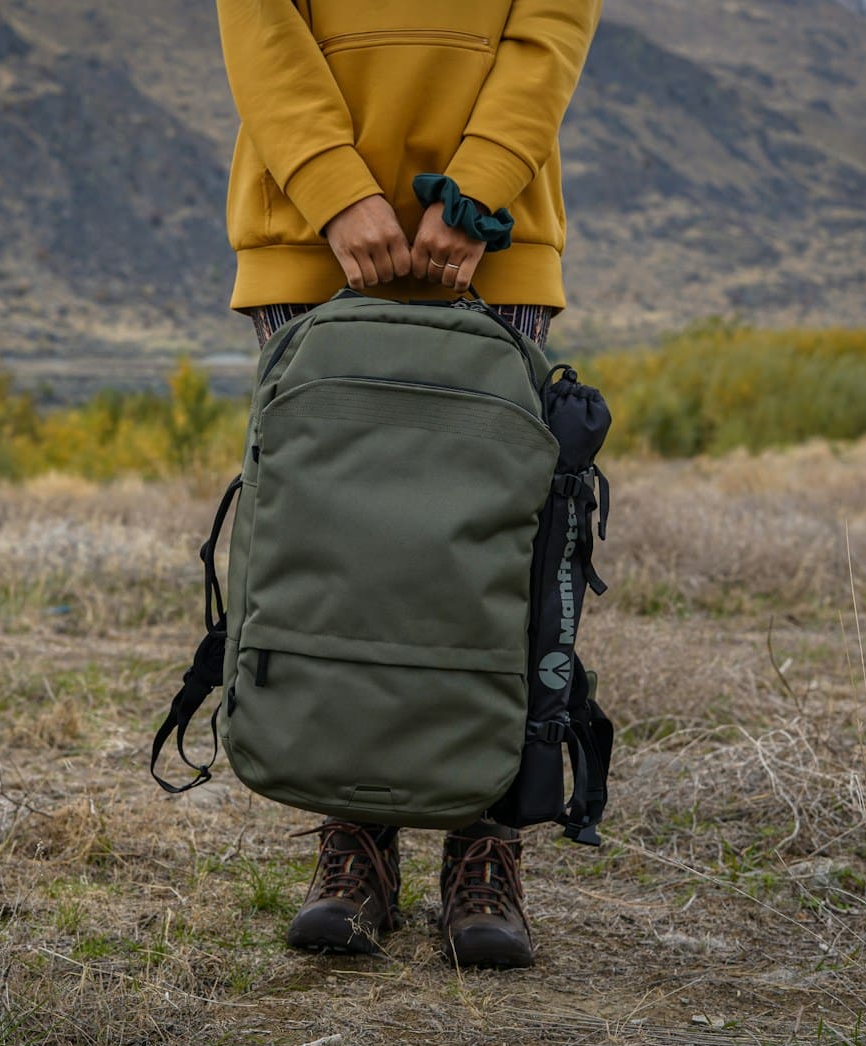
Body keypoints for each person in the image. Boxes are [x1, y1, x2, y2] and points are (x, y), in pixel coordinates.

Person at [214, 0, 602, 968]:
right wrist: (333, 190)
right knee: (337, 551)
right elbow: (257, 19)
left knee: (483, 554)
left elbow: (552, 23)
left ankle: (486, 845)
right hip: (308, 234)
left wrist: (473, 193)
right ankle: (354, 845)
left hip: (492, 232)